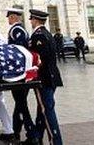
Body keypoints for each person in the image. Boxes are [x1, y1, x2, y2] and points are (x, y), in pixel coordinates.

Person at [29, 9, 64, 144]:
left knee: (47, 111)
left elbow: (39, 59)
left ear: (35, 20)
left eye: (31, 19)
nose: (31, 21)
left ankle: (56, 140)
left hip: (43, 78)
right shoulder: (47, 33)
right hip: (52, 76)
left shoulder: (38, 36)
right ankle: (37, 137)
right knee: (42, 109)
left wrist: (30, 73)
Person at [6, 7, 35, 141]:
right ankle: (16, 131)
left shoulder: (16, 30)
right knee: (20, 103)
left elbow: (19, 51)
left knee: (21, 103)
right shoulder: (20, 29)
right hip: (24, 71)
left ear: (14, 17)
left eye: (9, 17)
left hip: (20, 72)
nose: (8, 19)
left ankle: (31, 132)